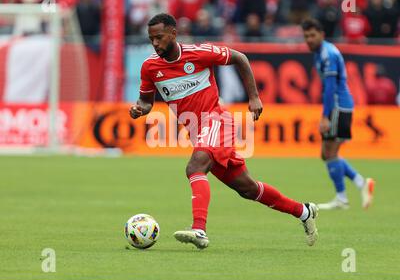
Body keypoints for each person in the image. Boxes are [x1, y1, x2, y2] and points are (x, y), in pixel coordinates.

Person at [129, 13, 318, 249]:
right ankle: (304, 211)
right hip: (198, 132)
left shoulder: (199, 53)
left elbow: (240, 58)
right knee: (247, 188)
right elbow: (146, 100)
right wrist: (140, 109)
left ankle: (199, 229)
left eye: (159, 37)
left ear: (173, 34)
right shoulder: (149, 67)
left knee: (195, 166)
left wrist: (254, 97)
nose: (155, 43)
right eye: (151, 39)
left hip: (217, 121)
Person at [301, 18, 375, 211]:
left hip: (338, 106)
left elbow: (331, 88)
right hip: (338, 106)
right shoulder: (321, 52)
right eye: (306, 36)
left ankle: (342, 198)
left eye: (312, 35)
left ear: (321, 34)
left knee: (330, 153)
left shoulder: (327, 55)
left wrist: (325, 116)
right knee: (327, 154)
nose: (309, 39)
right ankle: (360, 183)